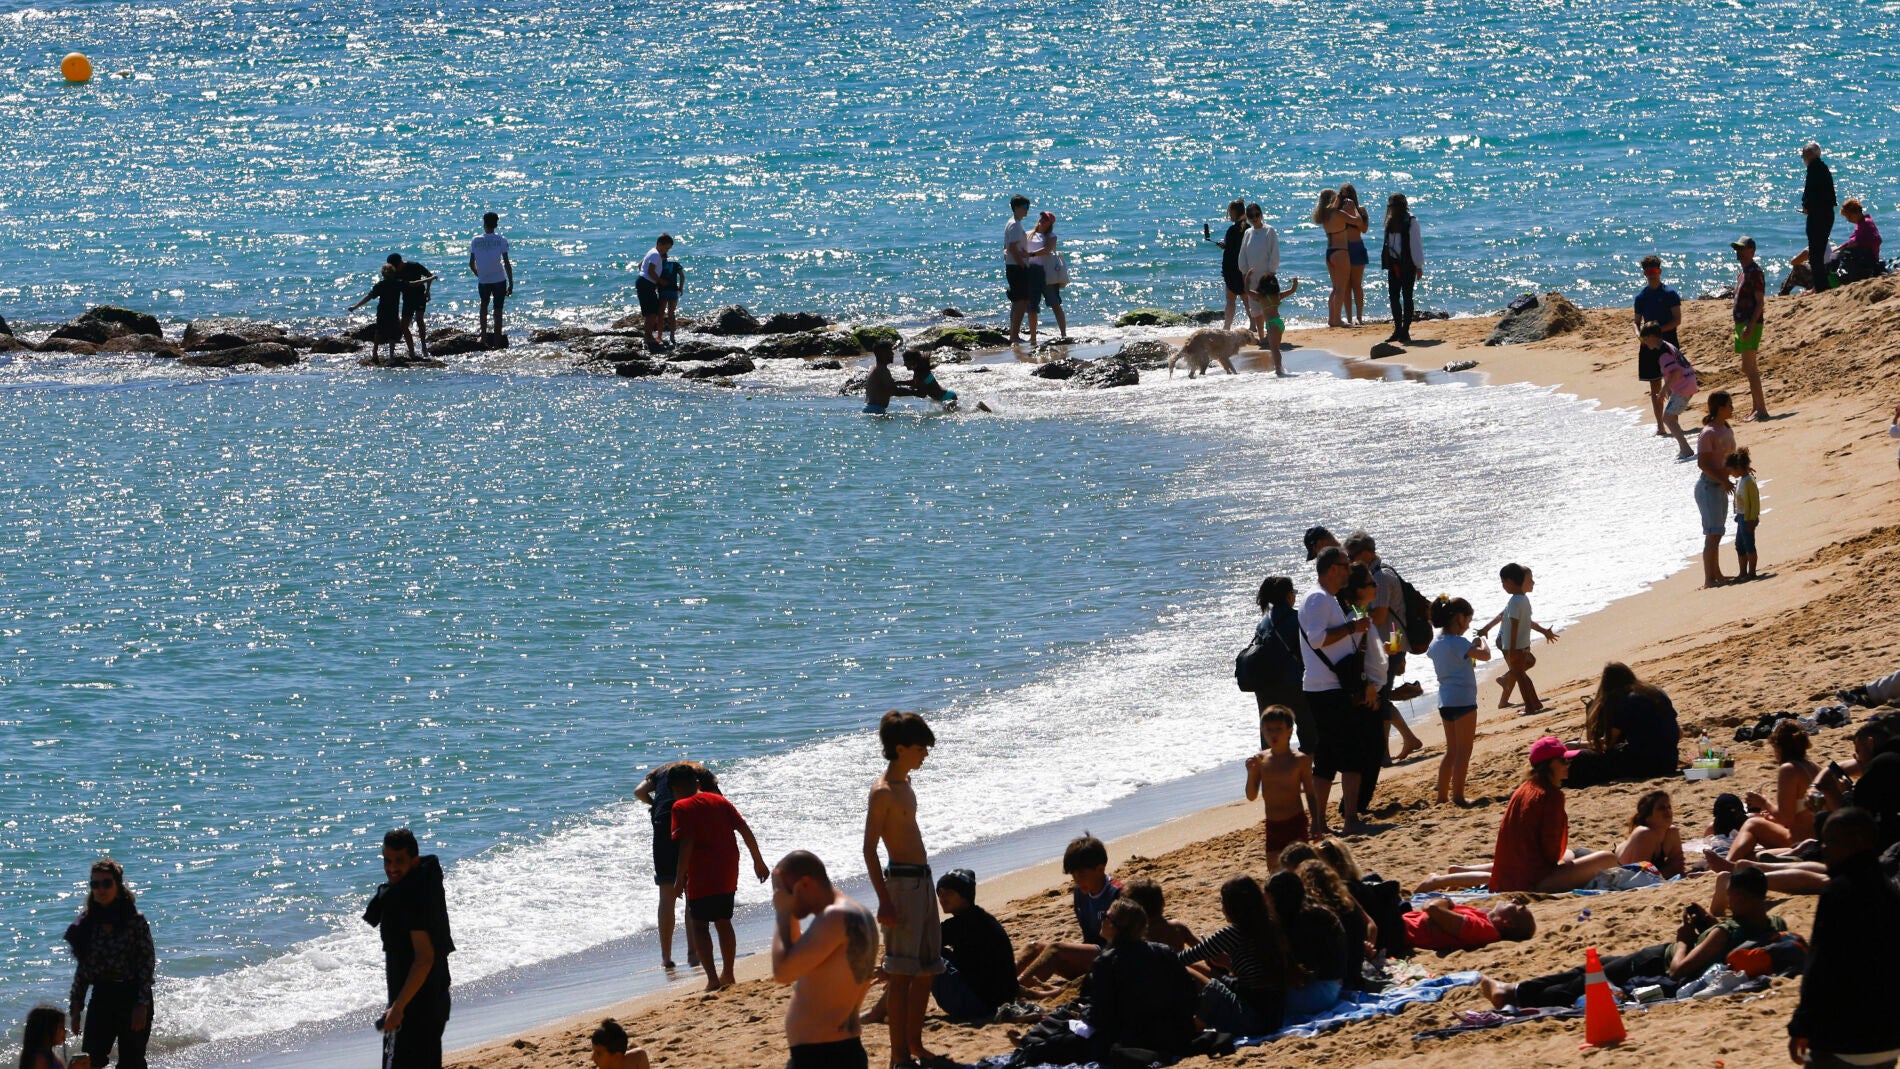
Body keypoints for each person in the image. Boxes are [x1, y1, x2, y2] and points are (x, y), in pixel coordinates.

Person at [1480, 865, 1786, 1010]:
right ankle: (1515, 990)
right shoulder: (1772, 922)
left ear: (1744, 898)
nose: (1728, 903)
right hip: (1671, 961)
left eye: (1732, 897)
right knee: (1591, 969)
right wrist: (1706, 923)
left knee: (1588, 978)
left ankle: (1512, 995)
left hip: (1657, 962)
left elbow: (1679, 969)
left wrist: (1682, 938)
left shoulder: (1725, 932)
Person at [1416, 736, 1618, 893]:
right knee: (1606, 858)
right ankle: (1449, 878)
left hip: (1521, 865)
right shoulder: (1550, 796)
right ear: (1549, 765)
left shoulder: (1526, 788)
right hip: (1533, 879)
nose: (1568, 765)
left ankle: (1459, 874)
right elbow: (1549, 852)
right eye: (1563, 761)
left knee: (1569, 854)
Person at [1789, 807, 1900, 1069]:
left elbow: (1821, 966)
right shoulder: (1890, 891)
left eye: (1831, 841)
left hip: (1843, 1039)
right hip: (1887, 1038)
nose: (1824, 848)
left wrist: (1801, 1025)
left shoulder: (1839, 893)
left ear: (1859, 841)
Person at [860, 711, 942, 1066]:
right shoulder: (882, 792)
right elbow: (869, 849)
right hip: (901, 885)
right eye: (921, 746)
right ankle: (897, 1056)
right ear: (900, 747)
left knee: (926, 970)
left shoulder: (907, 785)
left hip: (923, 881)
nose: (925, 753)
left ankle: (914, 1044)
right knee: (900, 974)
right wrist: (883, 900)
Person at [770, 851, 879, 1069]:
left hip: (823, 1054)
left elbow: (783, 972)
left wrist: (783, 913)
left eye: (784, 891)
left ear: (805, 884)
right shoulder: (857, 912)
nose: (780, 898)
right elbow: (797, 960)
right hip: (841, 1048)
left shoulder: (835, 917)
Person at [671, 765, 771, 991]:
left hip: (701, 872)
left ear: (675, 789)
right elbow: (744, 829)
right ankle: (729, 973)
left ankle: (712, 979)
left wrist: (679, 878)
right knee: (723, 921)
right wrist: (758, 860)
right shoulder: (720, 801)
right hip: (728, 867)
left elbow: (686, 843)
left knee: (699, 925)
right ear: (697, 784)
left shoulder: (680, 807)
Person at [364, 829, 456, 1069]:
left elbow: (424, 958)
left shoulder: (412, 896)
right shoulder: (423, 881)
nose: (392, 868)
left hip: (416, 1008)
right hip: (432, 999)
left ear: (414, 859)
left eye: (399, 861)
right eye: (387, 860)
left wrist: (398, 1008)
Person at [1301, 546, 1376, 834]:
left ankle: (1319, 825)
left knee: (1327, 759)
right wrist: (1353, 628)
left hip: (1323, 686)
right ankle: (1350, 821)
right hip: (1330, 688)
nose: (1349, 570)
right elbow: (1318, 639)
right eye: (1345, 565)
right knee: (1350, 756)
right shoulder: (1320, 598)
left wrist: (1353, 631)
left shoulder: (1319, 597)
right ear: (1333, 569)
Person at [1342, 531, 1424, 765]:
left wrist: (1355, 612)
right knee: (1382, 697)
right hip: (1389, 644)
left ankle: (1384, 753)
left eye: (1351, 556)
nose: (1349, 561)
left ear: (1366, 553)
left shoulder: (1380, 578)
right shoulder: (1379, 573)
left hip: (1391, 645)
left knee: (1380, 699)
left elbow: (1378, 616)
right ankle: (1407, 740)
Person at [64, 860, 153, 1069]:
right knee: (90, 1060)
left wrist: (141, 1005)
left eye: (106, 883)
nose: (100, 889)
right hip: (103, 995)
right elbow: (83, 970)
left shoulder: (134, 920)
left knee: (132, 1063)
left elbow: (147, 963)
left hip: (133, 995)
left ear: (118, 885)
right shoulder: (86, 924)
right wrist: (76, 1007)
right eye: (95, 884)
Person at [1177, 876, 1291, 1036]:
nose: (1222, 909)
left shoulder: (1234, 933)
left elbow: (1185, 957)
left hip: (1253, 1019)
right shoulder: (1270, 924)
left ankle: (1193, 1028)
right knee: (1198, 968)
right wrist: (1228, 964)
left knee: (1196, 976)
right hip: (1273, 1012)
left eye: (1223, 903)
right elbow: (1255, 977)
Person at [633, 759, 719, 968]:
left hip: (663, 826)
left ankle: (666, 957)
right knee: (692, 892)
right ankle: (693, 954)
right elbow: (718, 802)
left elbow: (638, 792)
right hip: (690, 826)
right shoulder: (700, 772)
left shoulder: (660, 773)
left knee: (666, 894)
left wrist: (654, 804)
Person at [1085, 899, 1198, 1058]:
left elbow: (1101, 1015)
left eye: (1105, 916)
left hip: (1135, 1038)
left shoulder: (1105, 962)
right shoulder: (1163, 951)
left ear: (1115, 926)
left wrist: (1084, 1013)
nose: (1102, 919)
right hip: (1174, 1032)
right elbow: (1189, 992)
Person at [1014, 835, 1121, 990]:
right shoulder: (1079, 892)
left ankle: (1013, 991)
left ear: (1100, 868)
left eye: (1082, 874)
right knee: (1034, 947)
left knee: (1056, 949)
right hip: (1090, 960)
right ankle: (1002, 983)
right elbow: (1087, 936)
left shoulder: (1118, 894)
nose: (1077, 880)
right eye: (1073, 875)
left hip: (1112, 961)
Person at [1564, 661, 1682, 788]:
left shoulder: (1623, 701)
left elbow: (1608, 745)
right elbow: (1679, 733)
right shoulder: (1656, 691)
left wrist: (1577, 745)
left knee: (1582, 760)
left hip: (1646, 765)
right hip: (1670, 761)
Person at [929, 869, 1018, 1021]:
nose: (942, 898)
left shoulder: (963, 924)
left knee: (923, 954)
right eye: (939, 893)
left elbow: (918, 946)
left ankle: (885, 1008)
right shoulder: (980, 918)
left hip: (978, 1006)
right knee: (929, 950)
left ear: (964, 895)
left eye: (948, 893)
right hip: (996, 1001)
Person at [1727, 720, 1822, 862]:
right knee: (1755, 830)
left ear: (1779, 748)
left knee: (1752, 824)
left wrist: (1764, 802)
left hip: (1799, 842)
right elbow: (1800, 814)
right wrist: (1772, 813)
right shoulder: (1815, 768)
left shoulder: (1789, 770)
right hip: (1816, 838)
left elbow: (1786, 818)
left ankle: (1726, 863)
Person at [1426, 595, 1489, 806]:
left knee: (1451, 751)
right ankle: (1459, 796)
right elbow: (1485, 656)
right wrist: (1482, 641)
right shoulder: (1459, 641)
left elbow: (1458, 662)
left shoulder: (1436, 643)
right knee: (1464, 751)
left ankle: (1441, 796)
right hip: (1463, 700)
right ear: (1460, 618)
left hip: (1445, 701)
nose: (1467, 626)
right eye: (1468, 621)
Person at [1262, 869, 1346, 1017]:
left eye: (1268, 899)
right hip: (1333, 985)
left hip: (1317, 992)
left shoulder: (1296, 925)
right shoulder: (1316, 913)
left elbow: (1302, 975)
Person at [1475, 563, 1557, 715]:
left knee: (1520, 677)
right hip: (1524, 645)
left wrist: (1511, 648)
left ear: (1511, 582)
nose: (1503, 586)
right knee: (1522, 675)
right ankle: (1535, 703)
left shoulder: (1514, 602)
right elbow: (1525, 622)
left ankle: (1529, 707)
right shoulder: (1524, 599)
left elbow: (1514, 625)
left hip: (1514, 646)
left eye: (1503, 582)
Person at [1247, 706, 1323, 865]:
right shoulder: (1260, 760)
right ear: (1262, 731)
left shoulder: (1299, 760)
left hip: (1295, 822)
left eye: (1278, 729)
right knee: (1275, 872)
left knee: (1301, 868)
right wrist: (1250, 773)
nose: (1274, 734)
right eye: (1269, 730)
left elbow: (1310, 793)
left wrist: (1316, 821)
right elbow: (1251, 796)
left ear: (1289, 731)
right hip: (1272, 824)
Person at [1248, 576, 1308, 738]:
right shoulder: (1299, 619)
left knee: (1271, 738)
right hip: (1293, 684)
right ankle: (1304, 762)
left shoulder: (1263, 622)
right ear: (1289, 596)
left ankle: (1272, 763)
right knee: (1308, 732)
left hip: (1265, 686)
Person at [1632, 255, 1683, 437]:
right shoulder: (1641, 297)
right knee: (1655, 387)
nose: (1653, 275)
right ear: (1645, 273)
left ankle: (1673, 422)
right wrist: (1640, 336)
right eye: (1649, 272)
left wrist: (1657, 332)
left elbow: (1677, 320)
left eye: (1655, 271)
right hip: (1648, 346)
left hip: (1668, 343)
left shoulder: (1670, 294)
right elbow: (1636, 322)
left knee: (1671, 385)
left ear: (1660, 272)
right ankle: (1660, 426)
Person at [1697, 391, 1739, 587]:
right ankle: (1708, 579)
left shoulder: (1726, 429)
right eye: (1730, 405)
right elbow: (1703, 464)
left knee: (1718, 532)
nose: (1732, 408)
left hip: (1721, 485)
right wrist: (1723, 480)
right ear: (1720, 407)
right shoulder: (1708, 433)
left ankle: (1718, 575)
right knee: (1712, 534)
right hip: (1709, 486)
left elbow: (1729, 458)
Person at [1401, 897, 1535, 953]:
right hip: (1405, 919)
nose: (1514, 900)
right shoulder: (1483, 918)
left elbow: (1431, 908)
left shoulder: (1484, 929)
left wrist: (1445, 901)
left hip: (1399, 929)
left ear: (1508, 923)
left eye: (1518, 907)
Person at [1731, 236, 1771, 421]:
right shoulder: (1744, 272)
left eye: (1742, 249)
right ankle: (1757, 408)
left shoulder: (1755, 271)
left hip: (1750, 324)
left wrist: (1750, 325)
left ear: (1751, 250)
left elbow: (1760, 302)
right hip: (1742, 323)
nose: (1739, 252)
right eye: (1737, 249)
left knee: (1749, 367)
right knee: (1748, 367)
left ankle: (1761, 409)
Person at [1647, 321, 1698, 460]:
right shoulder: (1668, 345)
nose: (1644, 343)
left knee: (1667, 418)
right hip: (1688, 382)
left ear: (1652, 337)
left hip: (1684, 387)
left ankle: (1685, 448)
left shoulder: (1663, 354)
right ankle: (1684, 447)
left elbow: (1675, 372)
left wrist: (1663, 390)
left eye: (1644, 339)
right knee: (1671, 417)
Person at [348, 261, 413, 362]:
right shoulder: (397, 283)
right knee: (393, 333)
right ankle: (391, 356)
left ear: (383, 274)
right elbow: (412, 284)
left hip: (382, 311)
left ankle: (375, 354)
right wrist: (428, 279)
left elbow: (368, 297)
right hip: (393, 312)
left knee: (379, 332)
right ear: (393, 273)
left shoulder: (380, 285)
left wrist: (355, 306)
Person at [1380, 193, 1423, 343]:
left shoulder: (1411, 221)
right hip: (1394, 264)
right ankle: (1398, 329)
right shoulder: (1390, 222)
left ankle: (1405, 330)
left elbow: (1416, 244)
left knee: (1407, 296)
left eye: (1391, 206)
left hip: (1407, 264)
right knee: (1393, 297)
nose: (1389, 209)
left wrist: (1418, 265)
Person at [1615, 790, 1686, 877]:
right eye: (1661, 808)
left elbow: (1679, 868)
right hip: (1612, 871)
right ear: (1648, 817)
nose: (1667, 811)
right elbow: (1638, 875)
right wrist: (1667, 870)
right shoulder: (1644, 834)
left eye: (1669, 807)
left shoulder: (1672, 832)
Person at [1238, 203, 1281, 345]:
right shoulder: (1248, 233)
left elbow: (1274, 253)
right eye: (1250, 216)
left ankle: (1271, 334)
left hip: (1266, 276)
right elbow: (1243, 253)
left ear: (1261, 214)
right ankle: (1262, 337)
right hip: (1252, 276)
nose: (1254, 218)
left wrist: (1271, 272)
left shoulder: (1269, 231)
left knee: (1269, 307)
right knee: (1255, 308)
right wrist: (1244, 272)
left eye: (1257, 215)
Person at [1204, 200, 1249, 330]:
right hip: (1244, 269)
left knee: (1230, 300)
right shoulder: (1249, 229)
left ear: (1234, 212)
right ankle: (1254, 324)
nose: (1229, 215)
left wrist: (1225, 247)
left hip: (1232, 270)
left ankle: (1227, 327)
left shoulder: (1233, 230)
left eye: (1230, 212)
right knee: (1246, 300)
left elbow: (1231, 250)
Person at [469, 212, 514, 340]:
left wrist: (480, 275)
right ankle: (497, 340)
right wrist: (511, 284)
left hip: (484, 280)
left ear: (484, 223)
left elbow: (471, 263)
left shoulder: (476, 240)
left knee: (484, 305)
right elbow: (506, 263)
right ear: (496, 224)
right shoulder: (501, 240)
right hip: (499, 279)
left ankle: (483, 337)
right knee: (498, 310)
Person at [1800, 142, 1837, 293]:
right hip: (1827, 215)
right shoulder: (1823, 168)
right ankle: (1820, 285)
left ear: (1810, 155)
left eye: (1804, 156)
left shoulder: (1814, 169)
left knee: (1815, 253)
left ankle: (1820, 287)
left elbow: (1811, 194)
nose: (1803, 159)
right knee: (1818, 252)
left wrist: (1807, 207)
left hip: (1818, 216)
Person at [1024, 211, 1065, 343]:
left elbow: (1047, 250)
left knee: (1055, 303)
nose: (1042, 220)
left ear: (1050, 223)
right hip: (1031, 272)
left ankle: (1063, 334)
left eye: (1046, 219)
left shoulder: (1051, 236)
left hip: (1046, 273)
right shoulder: (1028, 234)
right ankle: (1033, 337)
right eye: (1042, 217)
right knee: (1032, 306)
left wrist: (1030, 255)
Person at [1313, 190, 1349, 328]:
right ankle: (1338, 319)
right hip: (1341, 252)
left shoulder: (1324, 217)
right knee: (1341, 288)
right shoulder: (1338, 214)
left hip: (1330, 252)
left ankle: (1332, 318)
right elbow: (1357, 221)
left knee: (1335, 288)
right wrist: (1352, 209)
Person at [1004, 195, 1037, 345]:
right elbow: (1011, 248)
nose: (1027, 211)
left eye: (1028, 208)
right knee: (1021, 302)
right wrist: (1022, 264)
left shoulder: (1012, 223)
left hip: (1014, 266)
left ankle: (1013, 334)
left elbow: (1009, 248)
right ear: (1016, 208)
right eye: (1025, 208)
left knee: (1018, 301)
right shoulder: (1015, 225)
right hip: (1017, 268)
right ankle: (1014, 335)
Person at [1337, 183, 1371, 326]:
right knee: (1345, 286)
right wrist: (1343, 209)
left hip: (1357, 247)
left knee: (1357, 285)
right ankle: (1349, 318)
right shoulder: (1338, 211)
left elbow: (1364, 229)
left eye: (1349, 196)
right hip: (1343, 249)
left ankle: (1359, 317)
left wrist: (1354, 211)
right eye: (1343, 196)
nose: (1346, 199)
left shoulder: (1360, 209)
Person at [394, 254, 438, 359]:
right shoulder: (395, 271)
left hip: (419, 296)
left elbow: (429, 275)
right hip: (407, 299)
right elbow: (412, 283)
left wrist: (428, 292)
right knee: (404, 326)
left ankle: (423, 346)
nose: (396, 269)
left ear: (401, 262)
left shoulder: (415, 265)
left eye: (396, 266)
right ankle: (412, 351)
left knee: (419, 319)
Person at [635, 235, 674, 350]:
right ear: (660, 244)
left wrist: (650, 280)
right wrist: (660, 281)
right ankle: (647, 336)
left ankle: (648, 335)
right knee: (651, 312)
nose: (666, 251)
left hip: (645, 282)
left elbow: (640, 265)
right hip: (646, 284)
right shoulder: (655, 254)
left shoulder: (652, 252)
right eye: (666, 248)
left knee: (651, 310)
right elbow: (650, 270)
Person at [1835, 198, 1884, 286]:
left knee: (1841, 257)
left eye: (1849, 216)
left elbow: (1863, 241)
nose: (1848, 220)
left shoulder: (1867, 223)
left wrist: (1847, 247)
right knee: (1839, 254)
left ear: (1856, 213)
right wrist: (1840, 247)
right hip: (1864, 256)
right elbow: (1853, 240)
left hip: (1868, 258)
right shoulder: (1861, 224)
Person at [1257, 276, 1300, 376]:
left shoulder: (1262, 297)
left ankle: (1278, 370)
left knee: (1275, 349)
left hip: (1272, 324)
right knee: (1276, 348)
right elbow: (1292, 290)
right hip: (1279, 323)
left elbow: (1248, 292)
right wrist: (1295, 282)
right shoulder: (1278, 296)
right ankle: (1279, 368)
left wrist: (1247, 279)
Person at [1730, 449, 1761, 580]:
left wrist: (1752, 520)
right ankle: (1742, 572)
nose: (1731, 473)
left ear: (1738, 468)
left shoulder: (1749, 481)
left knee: (1749, 544)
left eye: (1732, 470)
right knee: (1739, 545)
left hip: (1748, 518)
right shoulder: (1741, 479)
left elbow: (1755, 502)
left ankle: (1751, 572)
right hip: (1741, 516)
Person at [859, 344, 913, 415]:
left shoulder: (875, 368)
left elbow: (887, 388)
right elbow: (894, 391)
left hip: (870, 409)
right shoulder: (882, 370)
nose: (893, 354)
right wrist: (915, 393)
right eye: (890, 351)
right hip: (876, 410)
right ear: (883, 354)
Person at [659, 258, 685, 346]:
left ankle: (660, 335)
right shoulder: (675, 264)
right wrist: (681, 288)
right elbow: (682, 276)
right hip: (673, 291)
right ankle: (672, 336)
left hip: (663, 291)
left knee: (661, 314)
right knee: (671, 313)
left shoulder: (658, 264)